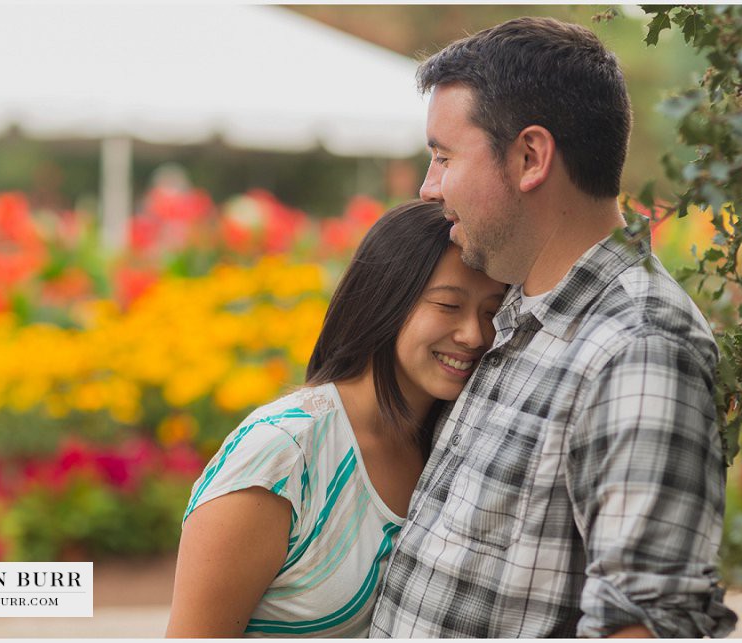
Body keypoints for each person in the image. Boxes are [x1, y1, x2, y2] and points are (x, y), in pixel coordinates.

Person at [369, 17, 738, 638]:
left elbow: (645, 624)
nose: (429, 188)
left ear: (530, 157)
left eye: (442, 156)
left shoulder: (639, 346)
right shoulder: (516, 313)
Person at [165, 200, 506, 638]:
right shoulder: (280, 457)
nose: (474, 335)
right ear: (387, 301)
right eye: (447, 306)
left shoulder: (453, 443)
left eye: (491, 312)